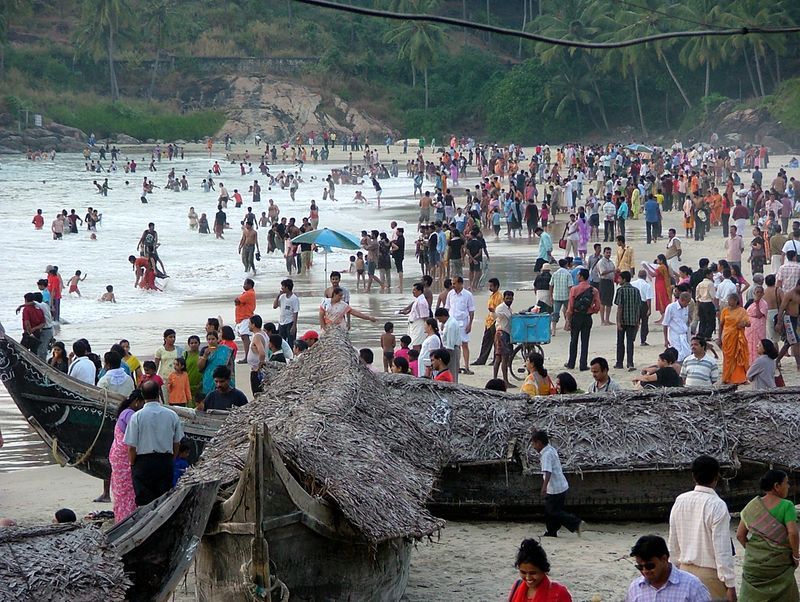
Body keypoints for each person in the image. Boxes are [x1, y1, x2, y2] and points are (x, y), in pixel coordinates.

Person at [667, 455, 736, 600]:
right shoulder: (717, 505)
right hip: (710, 575)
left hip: (684, 572)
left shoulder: (680, 500)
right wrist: (730, 584)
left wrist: (673, 571)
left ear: (693, 476)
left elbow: (673, 542)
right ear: (717, 477)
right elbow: (722, 550)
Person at [737, 469, 800, 601]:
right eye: (786, 483)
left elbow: (740, 535)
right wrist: (795, 555)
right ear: (777, 486)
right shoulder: (786, 505)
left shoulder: (752, 505)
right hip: (779, 564)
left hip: (754, 566)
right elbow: (793, 533)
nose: (788, 486)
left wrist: (755, 551)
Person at [124, 380, 184, 507]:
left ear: (143, 395)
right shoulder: (172, 415)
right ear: (158, 394)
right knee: (163, 500)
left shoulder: (137, 417)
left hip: (143, 462)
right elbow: (177, 442)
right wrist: (171, 459)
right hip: (164, 461)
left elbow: (131, 446)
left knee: (144, 503)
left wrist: (133, 463)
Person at [626, 535, 711, 601]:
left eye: (650, 566)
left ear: (664, 559)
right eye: (640, 567)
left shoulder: (692, 586)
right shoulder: (635, 588)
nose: (644, 571)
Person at [532, 430, 582, 538]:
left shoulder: (546, 454)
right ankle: (551, 531)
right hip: (560, 486)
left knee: (553, 511)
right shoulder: (551, 449)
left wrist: (544, 487)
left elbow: (548, 471)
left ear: (539, 443)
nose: (534, 447)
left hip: (554, 488)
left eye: (534, 444)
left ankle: (575, 523)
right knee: (551, 511)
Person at [110, 390, 144, 523]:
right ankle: (127, 517)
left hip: (118, 455)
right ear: (137, 402)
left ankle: (121, 517)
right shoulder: (130, 415)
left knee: (121, 489)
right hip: (123, 457)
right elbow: (135, 437)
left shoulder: (125, 412)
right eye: (142, 403)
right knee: (127, 489)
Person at [508, 538, 573, 602]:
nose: (528, 578)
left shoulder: (559, 594)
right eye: (523, 572)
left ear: (544, 570)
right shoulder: (517, 587)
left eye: (533, 573)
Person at [564, 268, 600, 371]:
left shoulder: (574, 289)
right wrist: (591, 310)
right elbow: (598, 306)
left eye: (578, 275)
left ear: (581, 277)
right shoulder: (594, 290)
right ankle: (583, 365)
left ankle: (571, 363)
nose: (577, 276)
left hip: (576, 316)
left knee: (573, 340)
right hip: (587, 317)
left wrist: (568, 320)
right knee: (585, 341)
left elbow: (570, 307)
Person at [445, 276, 476, 372]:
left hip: (463, 322)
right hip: (451, 323)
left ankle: (466, 367)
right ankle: (456, 366)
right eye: (452, 283)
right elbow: (447, 308)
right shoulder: (450, 294)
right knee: (453, 345)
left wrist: (470, 324)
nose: (453, 285)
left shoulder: (468, 295)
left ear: (460, 283)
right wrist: (444, 323)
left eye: (454, 283)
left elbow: (471, 311)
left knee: (464, 344)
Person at [718, 293, 750, 384]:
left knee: (739, 356)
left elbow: (748, 323)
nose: (729, 302)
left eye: (731, 300)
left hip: (738, 337)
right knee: (727, 357)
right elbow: (721, 325)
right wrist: (719, 338)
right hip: (727, 337)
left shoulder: (742, 311)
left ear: (736, 301)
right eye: (729, 300)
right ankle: (727, 377)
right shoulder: (725, 311)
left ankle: (739, 378)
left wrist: (743, 324)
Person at [614, 271, 642, 370]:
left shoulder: (620, 290)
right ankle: (630, 363)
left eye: (620, 278)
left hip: (623, 320)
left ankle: (619, 363)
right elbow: (638, 307)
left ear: (624, 279)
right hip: (633, 320)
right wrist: (638, 321)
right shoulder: (636, 291)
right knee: (630, 342)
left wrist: (618, 322)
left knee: (620, 342)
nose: (618, 280)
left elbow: (620, 307)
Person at [473, 278, 502, 365]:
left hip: (495, 321)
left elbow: (500, 310)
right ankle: (482, 360)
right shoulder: (492, 295)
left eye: (491, 286)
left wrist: (493, 310)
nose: (490, 288)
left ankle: (495, 360)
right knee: (486, 341)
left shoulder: (499, 296)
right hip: (489, 321)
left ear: (496, 286)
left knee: (495, 342)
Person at [198, 331, 233, 396]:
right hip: (208, 379)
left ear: (217, 339)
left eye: (213, 339)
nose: (211, 341)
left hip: (222, 377)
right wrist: (205, 356)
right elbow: (200, 367)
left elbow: (230, 365)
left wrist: (230, 377)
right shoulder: (204, 350)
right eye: (209, 339)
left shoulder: (225, 350)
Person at [492, 290, 514, 385]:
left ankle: (496, 379)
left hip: (505, 333)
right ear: (503, 298)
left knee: (499, 357)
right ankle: (504, 381)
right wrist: (493, 312)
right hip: (501, 334)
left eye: (510, 298)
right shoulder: (501, 308)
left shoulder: (509, 309)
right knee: (503, 357)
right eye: (507, 298)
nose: (509, 300)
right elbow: (496, 316)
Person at [663, 291, 692, 362]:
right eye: (687, 302)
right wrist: (666, 340)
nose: (687, 304)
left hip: (684, 335)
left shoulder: (686, 308)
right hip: (674, 335)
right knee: (677, 355)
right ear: (681, 300)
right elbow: (665, 324)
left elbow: (686, 322)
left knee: (687, 353)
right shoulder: (671, 307)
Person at [234, 279, 257, 364]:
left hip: (245, 318)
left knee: (245, 337)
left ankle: (247, 357)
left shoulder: (249, 293)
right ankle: (249, 356)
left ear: (249, 285)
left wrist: (238, 301)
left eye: (245, 284)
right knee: (244, 337)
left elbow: (237, 300)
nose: (243, 286)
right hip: (243, 318)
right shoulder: (249, 293)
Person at [273, 278, 299, 348]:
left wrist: (294, 326)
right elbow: (274, 306)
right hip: (281, 322)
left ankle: (291, 358)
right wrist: (278, 295)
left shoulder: (294, 298)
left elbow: (295, 312)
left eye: (283, 286)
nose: (281, 288)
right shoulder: (282, 296)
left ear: (287, 287)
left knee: (291, 342)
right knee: (281, 342)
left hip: (290, 322)